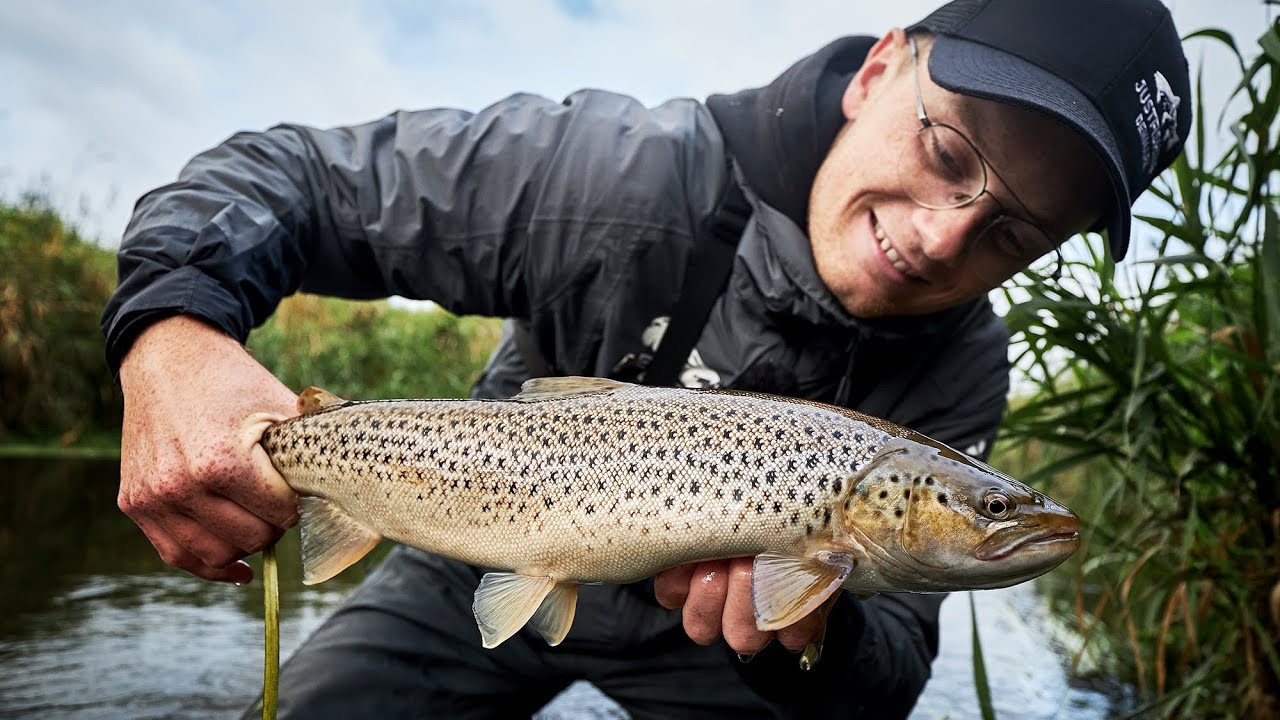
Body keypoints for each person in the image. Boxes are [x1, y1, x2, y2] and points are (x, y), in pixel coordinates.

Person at [101, 0, 1191, 717]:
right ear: (874, 72)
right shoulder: (618, 178)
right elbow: (292, 174)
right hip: (470, 537)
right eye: (949, 151)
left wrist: (815, 635)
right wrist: (170, 332)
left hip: (714, 651)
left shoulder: (963, 367)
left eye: (1014, 231)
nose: (945, 234)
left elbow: (888, 672)